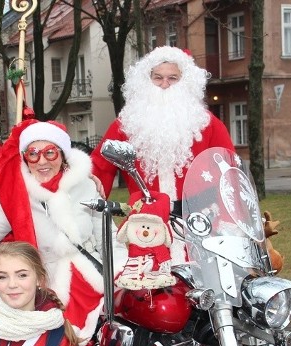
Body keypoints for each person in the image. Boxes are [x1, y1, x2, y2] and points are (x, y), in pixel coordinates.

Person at [0, 119, 123, 346]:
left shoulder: (87, 186)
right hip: (48, 287)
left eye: (50, 153)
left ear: (62, 155)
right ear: (26, 158)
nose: (42, 161)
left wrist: (121, 272)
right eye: (33, 154)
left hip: (94, 279)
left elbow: (109, 239)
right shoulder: (17, 197)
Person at [91, 46, 235, 262]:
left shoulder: (209, 125)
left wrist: (228, 222)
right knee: (147, 291)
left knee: (199, 290)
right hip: (145, 227)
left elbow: (229, 175)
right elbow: (97, 169)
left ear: (185, 81)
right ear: (146, 81)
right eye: (157, 78)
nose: (165, 84)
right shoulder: (125, 125)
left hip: (199, 225)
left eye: (173, 78)